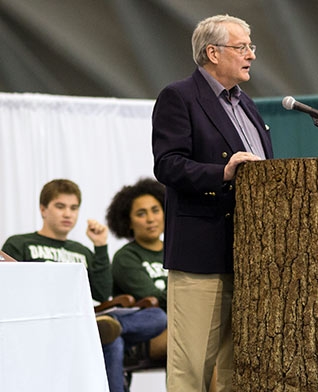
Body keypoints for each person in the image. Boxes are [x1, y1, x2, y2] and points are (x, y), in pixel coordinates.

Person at [151, 14, 274, 392]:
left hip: (249, 256)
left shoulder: (247, 104)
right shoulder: (180, 97)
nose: (251, 55)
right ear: (212, 53)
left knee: (239, 369)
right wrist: (223, 172)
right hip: (201, 254)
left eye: (251, 47)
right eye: (242, 47)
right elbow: (167, 164)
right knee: (191, 368)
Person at [1, 179, 167, 392]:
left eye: (74, 208)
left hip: (85, 318)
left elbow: (102, 293)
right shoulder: (19, 243)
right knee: (112, 338)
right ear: (43, 209)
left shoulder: (83, 251)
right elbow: (11, 289)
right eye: (60, 207)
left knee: (157, 318)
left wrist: (100, 247)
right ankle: (102, 329)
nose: (68, 214)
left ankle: (104, 327)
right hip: (46, 320)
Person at [106, 178, 167, 311]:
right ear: (128, 222)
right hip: (151, 323)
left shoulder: (176, 251)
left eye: (155, 210)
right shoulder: (125, 257)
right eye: (141, 214)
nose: (151, 219)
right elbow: (153, 299)